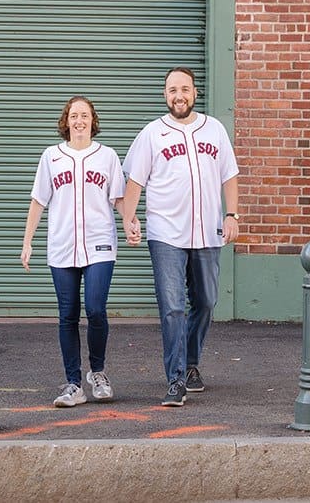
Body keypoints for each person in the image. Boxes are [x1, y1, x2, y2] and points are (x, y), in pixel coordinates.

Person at [121, 66, 239, 407]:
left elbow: (229, 176)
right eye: (172, 90)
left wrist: (232, 215)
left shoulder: (214, 130)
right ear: (165, 95)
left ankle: (190, 363)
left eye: (184, 89)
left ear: (194, 93)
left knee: (205, 301)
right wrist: (129, 218)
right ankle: (175, 379)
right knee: (172, 307)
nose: (179, 96)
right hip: (166, 234)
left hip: (207, 232)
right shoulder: (152, 134)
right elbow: (135, 182)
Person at [21, 95, 126, 407]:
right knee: (67, 315)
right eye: (73, 115)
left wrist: (131, 222)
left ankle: (98, 372)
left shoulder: (107, 157)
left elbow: (118, 198)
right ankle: (73, 384)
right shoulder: (51, 157)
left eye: (85, 115)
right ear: (65, 122)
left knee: (95, 309)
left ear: (93, 121)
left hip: (100, 244)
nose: (79, 120)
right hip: (62, 245)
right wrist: (27, 241)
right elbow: (38, 201)